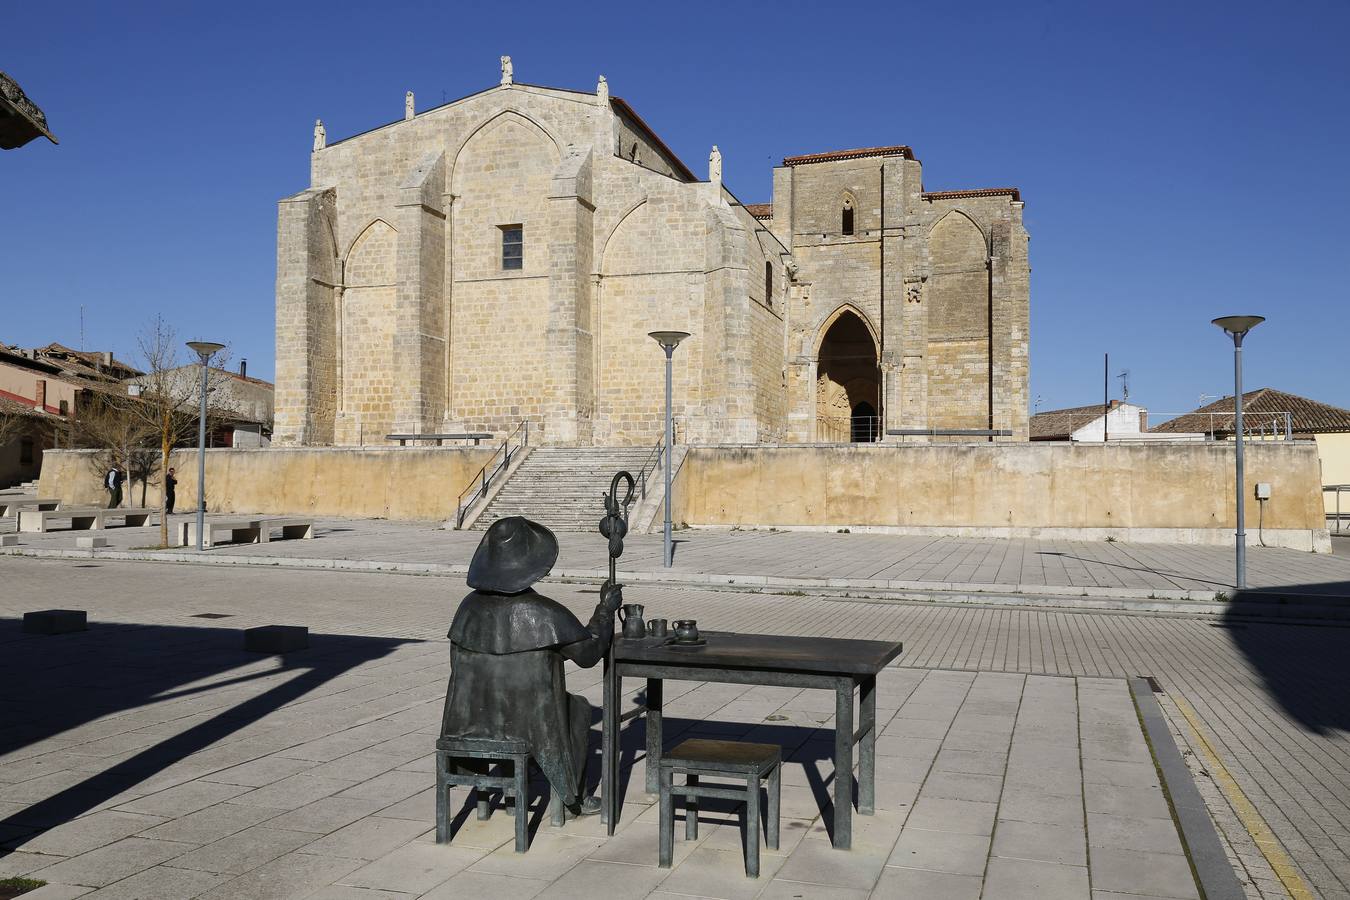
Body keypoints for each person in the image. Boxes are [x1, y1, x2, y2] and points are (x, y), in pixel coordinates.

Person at [441, 516, 621, 816]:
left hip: (475, 722)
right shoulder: (543, 612)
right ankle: (574, 796)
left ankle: (511, 785)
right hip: (530, 724)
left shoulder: (467, 609)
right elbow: (589, 654)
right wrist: (604, 610)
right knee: (578, 708)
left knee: (525, 708)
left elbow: (460, 667)